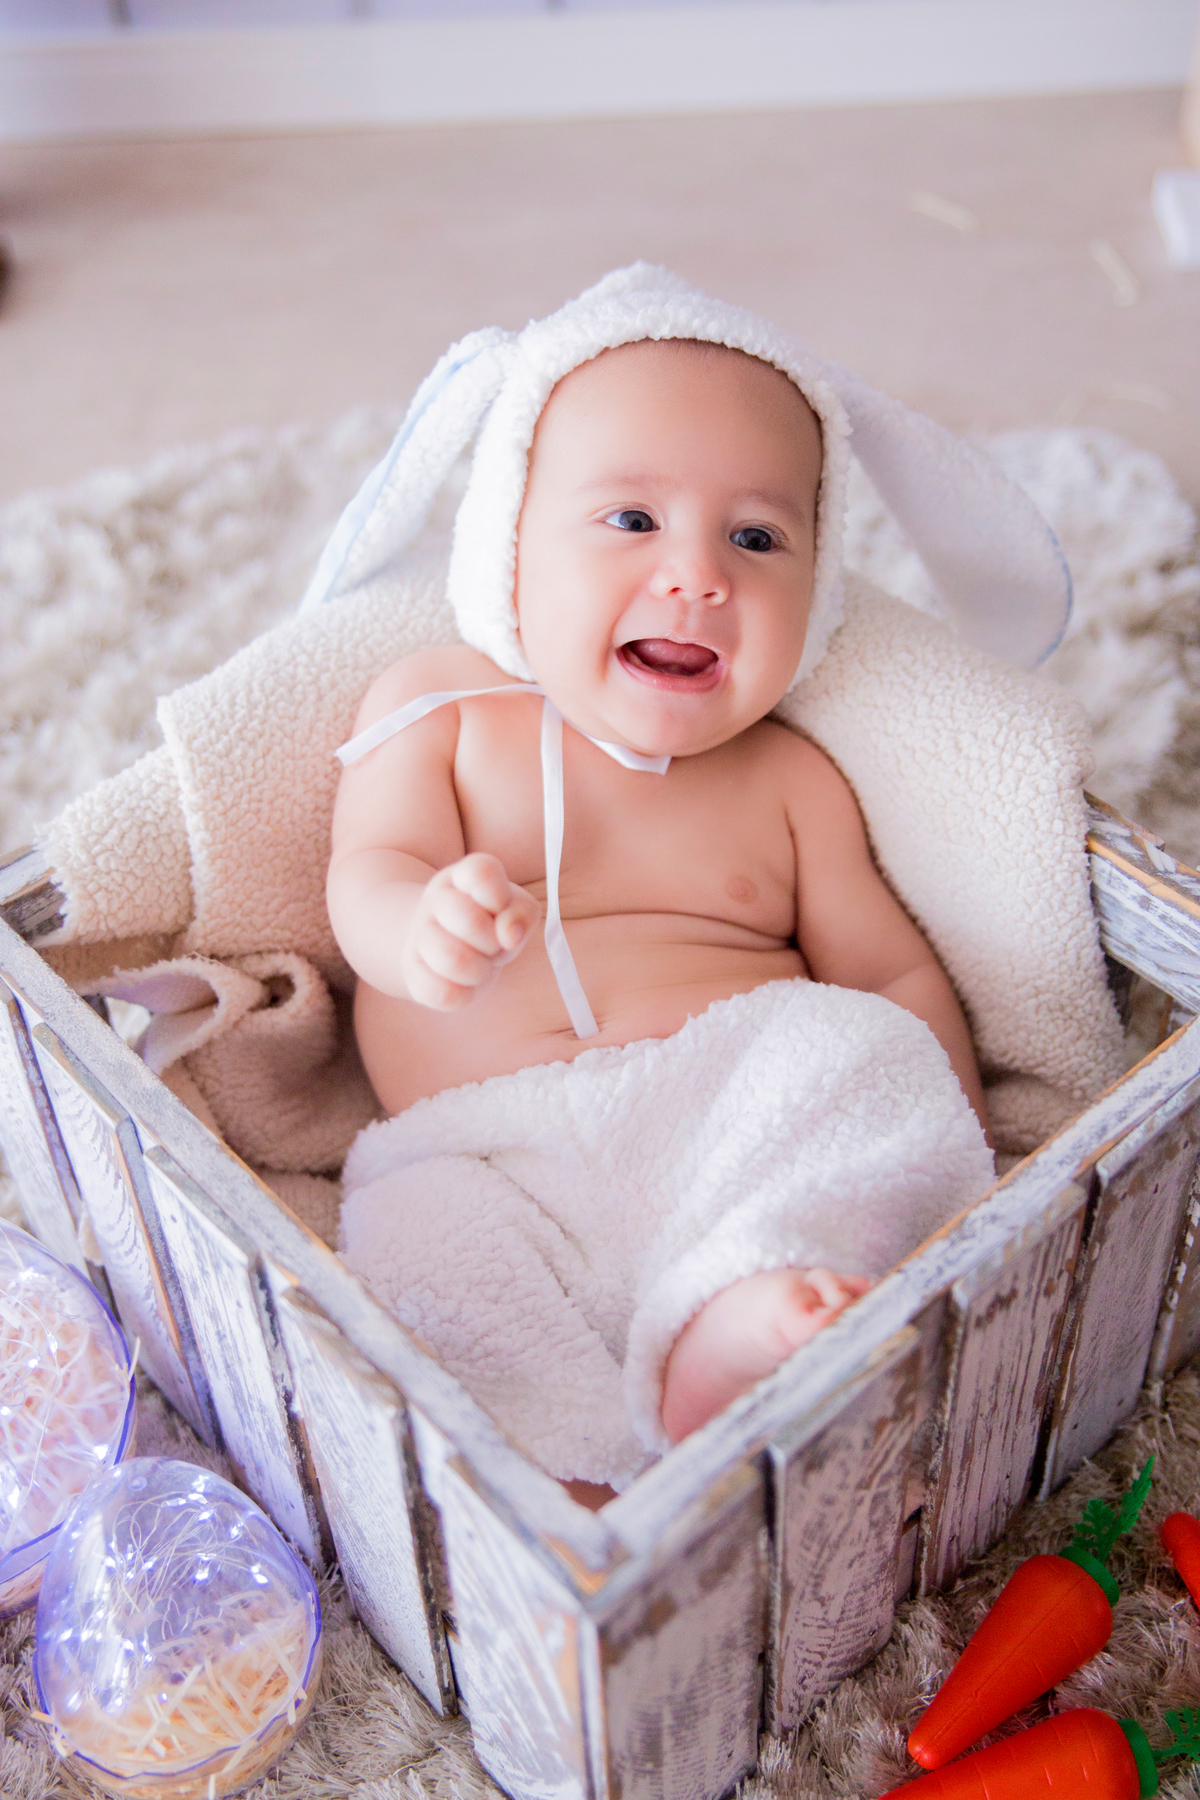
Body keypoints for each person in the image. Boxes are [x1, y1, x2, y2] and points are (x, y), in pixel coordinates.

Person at [326, 330, 991, 1498]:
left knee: (856, 1048)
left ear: (818, 589)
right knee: (409, 1239)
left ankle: (731, 1329)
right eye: (631, 519)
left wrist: (952, 1148)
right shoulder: (446, 708)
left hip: (725, 1125)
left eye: (756, 536)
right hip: (493, 1156)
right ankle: (573, 1469)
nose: (698, 576)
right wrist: (418, 923)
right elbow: (367, 868)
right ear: (510, 551)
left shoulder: (794, 780)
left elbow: (890, 980)